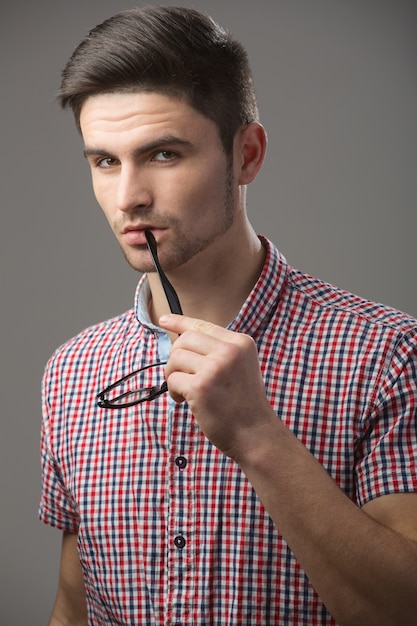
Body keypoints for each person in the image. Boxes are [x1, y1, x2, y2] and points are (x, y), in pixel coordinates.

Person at [39, 6, 417, 626]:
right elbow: (76, 607)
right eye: (104, 161)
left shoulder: (386, 354)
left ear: (246, 155)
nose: (128, 195)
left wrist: (258, 436)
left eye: (163, 154)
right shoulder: (72, 372)